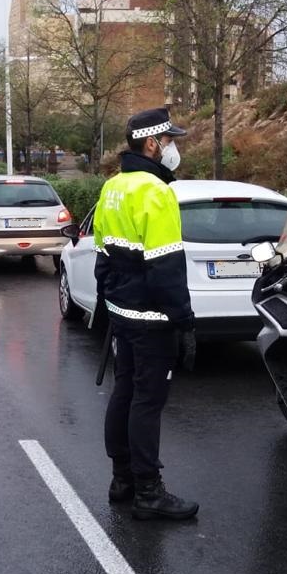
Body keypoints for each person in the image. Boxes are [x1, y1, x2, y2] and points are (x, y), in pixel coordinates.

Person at [93, 107, 199, 521]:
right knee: (147, 401)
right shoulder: (157, 193)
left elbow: (102, 255)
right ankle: (149, 492)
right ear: (152, 143)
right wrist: (184, 324)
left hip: (123, 311)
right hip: (153, 318)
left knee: (124, 392)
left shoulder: (112, 187)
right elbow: (166, 268)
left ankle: (122, 480)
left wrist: (110, 304)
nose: (174, 149)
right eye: (170, 141)